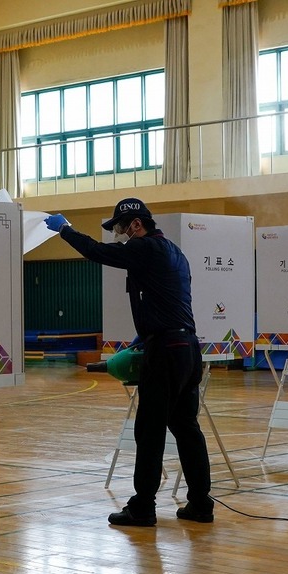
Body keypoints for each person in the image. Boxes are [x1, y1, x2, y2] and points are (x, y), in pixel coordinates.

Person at [44, 198, 214, 526]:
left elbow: (98, 252)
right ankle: (201, 504)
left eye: (120, 229)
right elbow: (167, 299)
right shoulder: (174, 252)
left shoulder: (145, 248)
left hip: (165, 350)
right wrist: (146, 335)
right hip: (187, 346)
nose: (118, 236)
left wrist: (66, 231)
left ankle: (143, 507)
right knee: (186, 427)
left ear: (136, 225)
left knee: (149, 430)